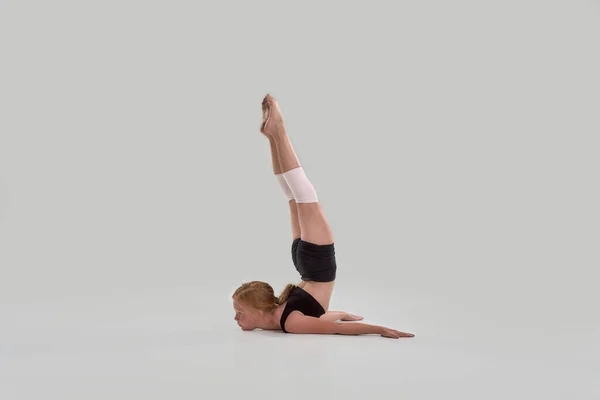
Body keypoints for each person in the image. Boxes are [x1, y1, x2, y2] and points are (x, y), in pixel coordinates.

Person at [231, 94, 414, 339]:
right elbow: (329, 323)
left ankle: (277, 132)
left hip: (314, 268)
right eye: (238, 312)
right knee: (296, 194)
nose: (235, 318)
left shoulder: (290, 321)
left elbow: (328, 324)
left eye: (239, 312)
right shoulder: (289, 319)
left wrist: (364, 324)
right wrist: (355, 319)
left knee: (299, 195)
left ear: (259, 311)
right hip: (305, 264)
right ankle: (275, 134)